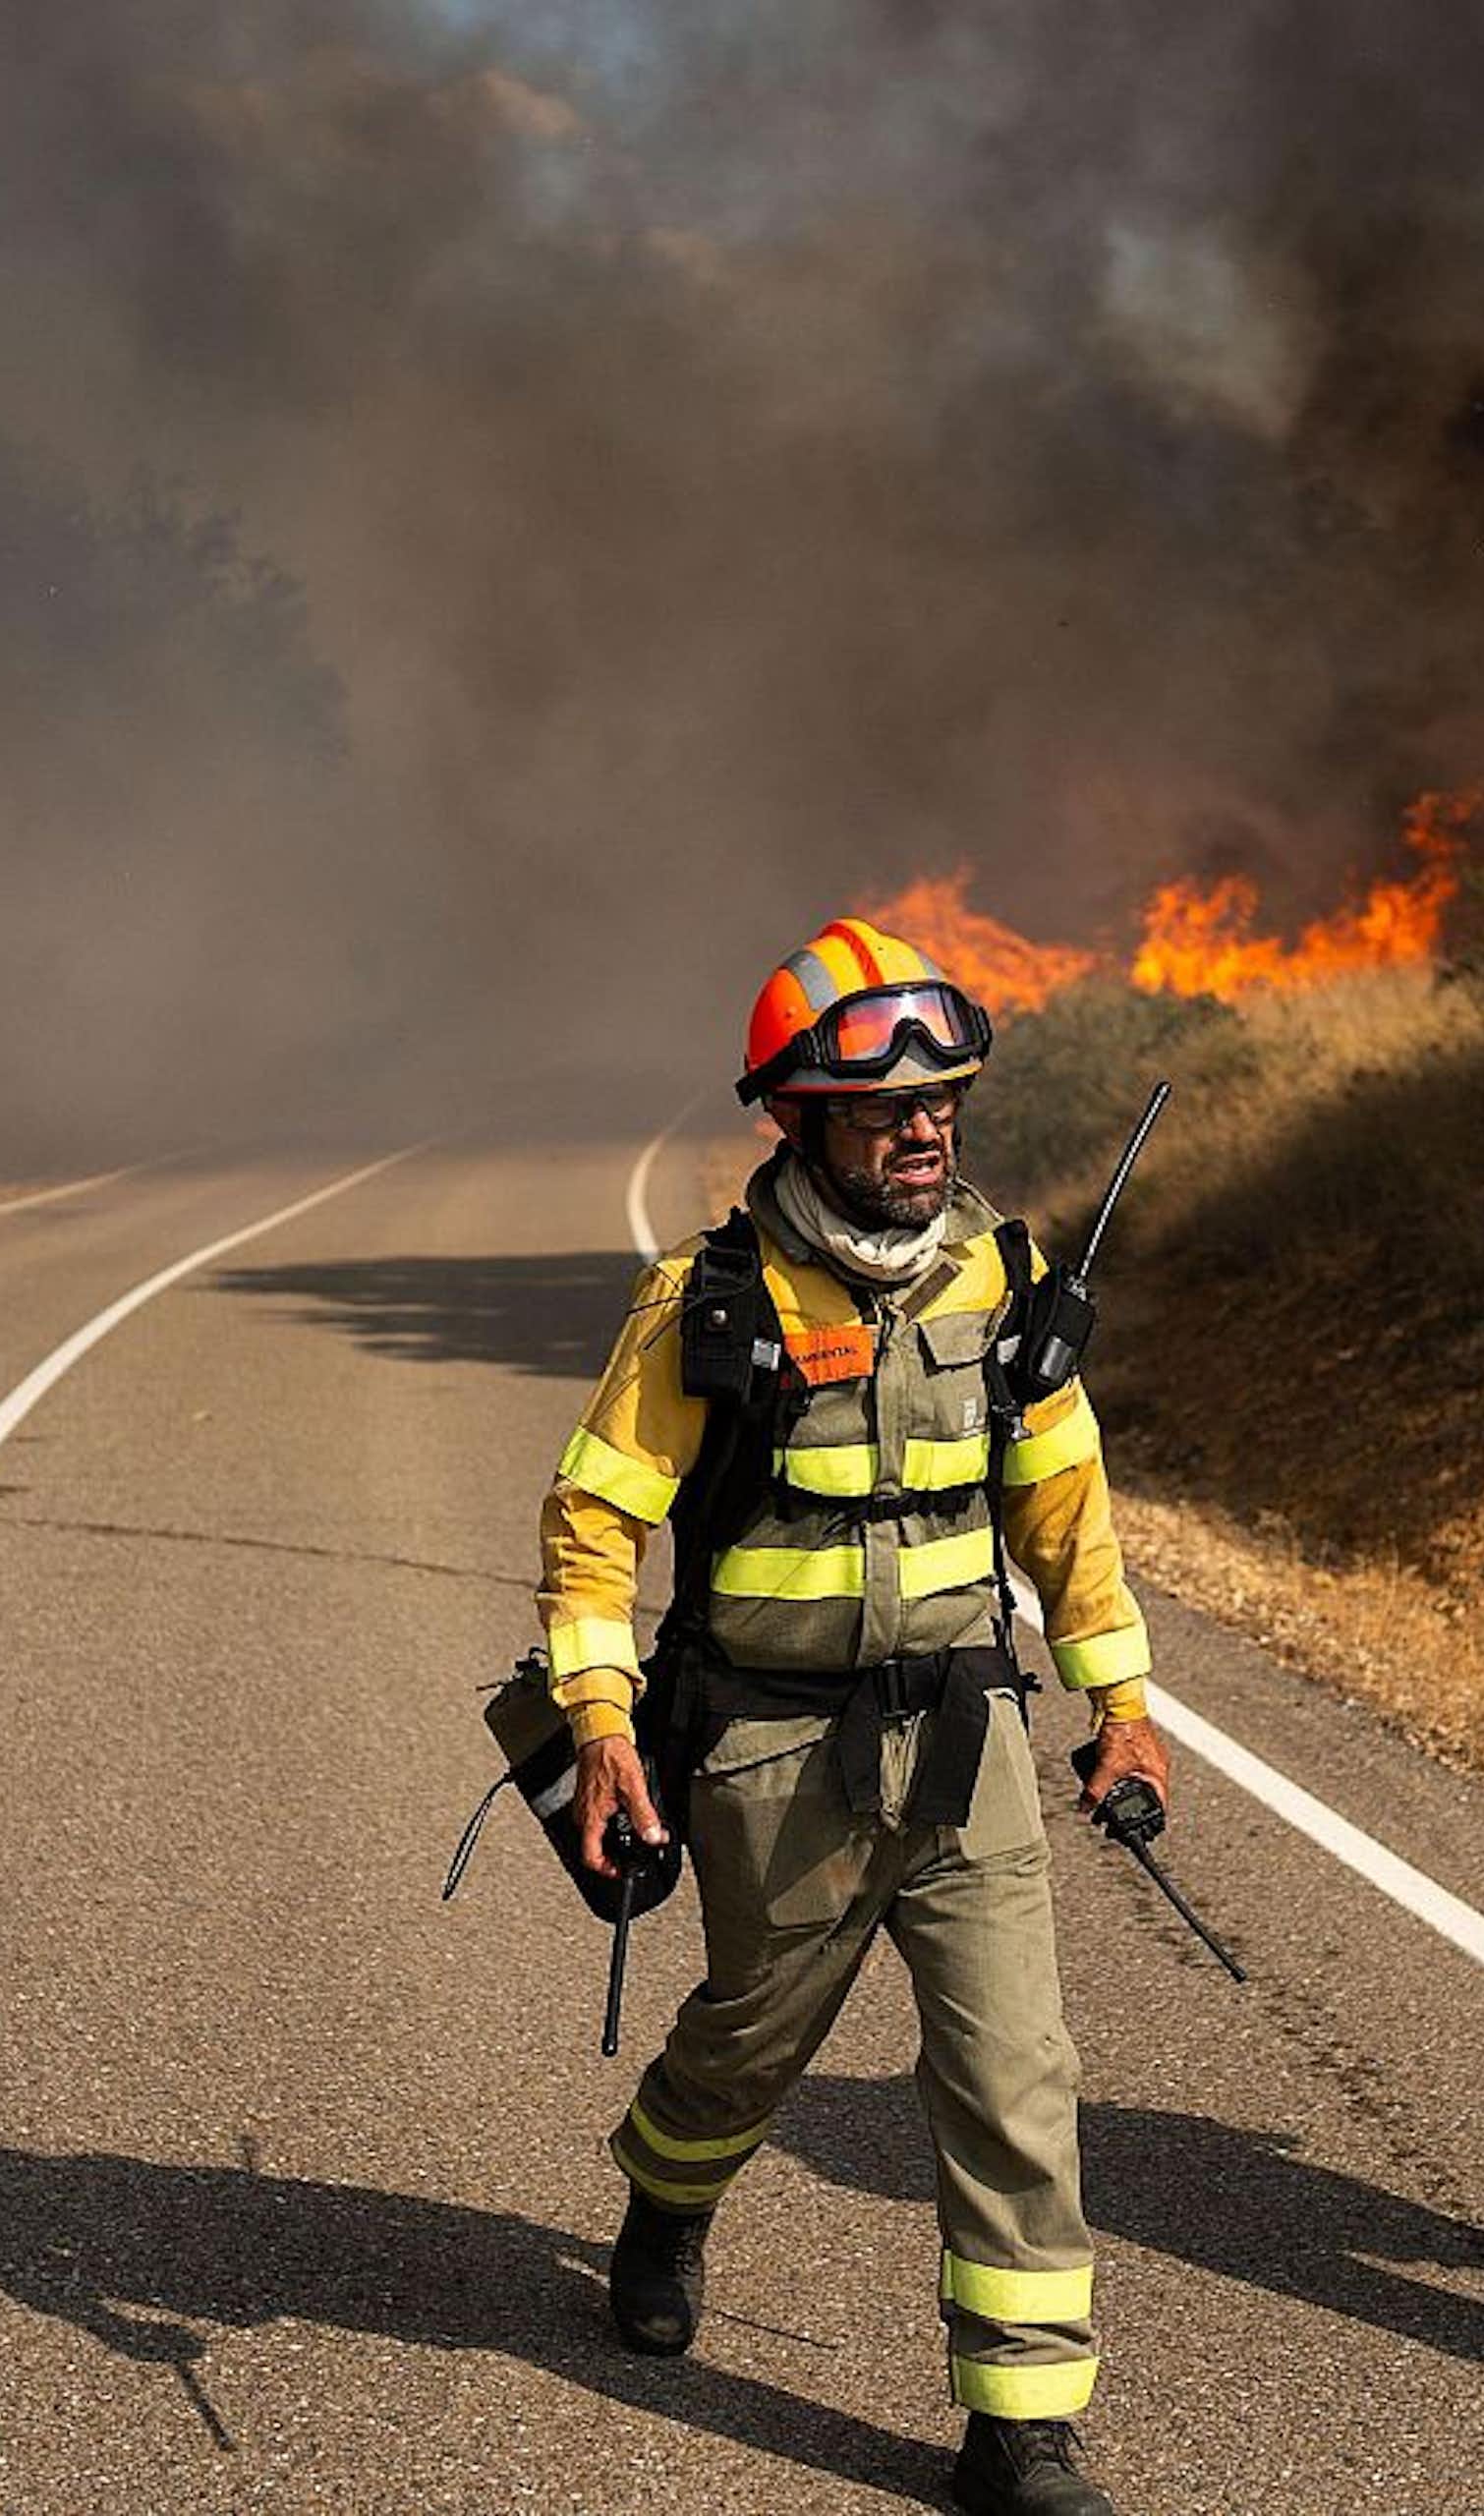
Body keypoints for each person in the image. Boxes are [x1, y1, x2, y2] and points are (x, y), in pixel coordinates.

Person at [536, 916, 1169, 2516]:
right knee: (747, 2046)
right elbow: (594, 1526)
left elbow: (1068, 1513)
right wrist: (600, 1726)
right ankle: (667, 2195)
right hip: (770, 1752)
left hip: (965, 1744)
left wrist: (1120, 1701)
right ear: (801, 1120)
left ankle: (1021, 2425)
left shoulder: (1008, 1281)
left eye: (943, 1100)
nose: (926, 1127)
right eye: (887, 1108)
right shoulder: (707, 1300)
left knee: (1016, 2075)